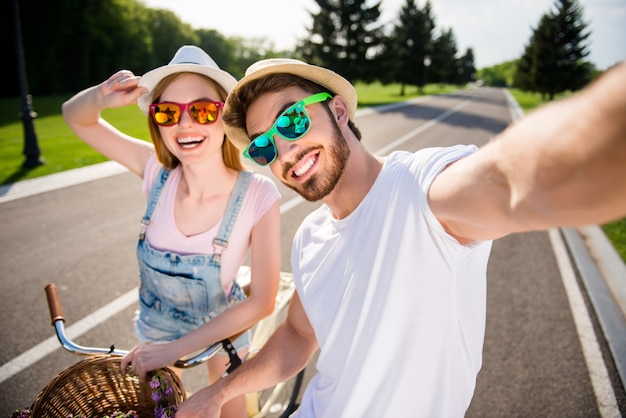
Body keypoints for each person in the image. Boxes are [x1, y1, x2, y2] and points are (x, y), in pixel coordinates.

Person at [176, 57, 626, 418]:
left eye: (291, 121)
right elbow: (297, 332)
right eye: (263, 146)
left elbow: (511, 178)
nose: (284, 150)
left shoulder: (421, 190)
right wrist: (218, 393)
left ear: (337, 110)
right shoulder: (311, 236)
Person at [62, 46, 281, 418]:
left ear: (224, 116)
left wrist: (175, 348)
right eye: (167, 112)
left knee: (232, 412)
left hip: (224, 327)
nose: (185, 124)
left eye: (202, 110)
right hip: (157, 330)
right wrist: (101, 96)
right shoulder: (155, 172)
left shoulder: (258, 194)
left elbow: (261, 302)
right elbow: (75, 116)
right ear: (156, 121)